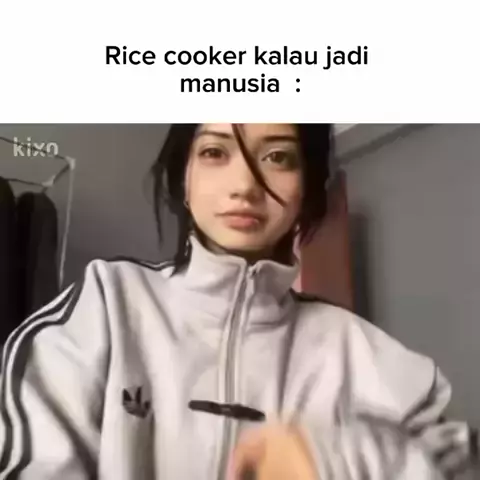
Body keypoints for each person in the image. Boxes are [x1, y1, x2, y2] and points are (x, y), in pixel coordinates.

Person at [0, 123, 474, 479]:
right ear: (184, 178)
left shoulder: (358, 349)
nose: (244, 185)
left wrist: (339, 461)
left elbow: (460, 460)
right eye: (214, 152)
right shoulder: (106, 302)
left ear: (306, 186)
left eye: (278, 157)